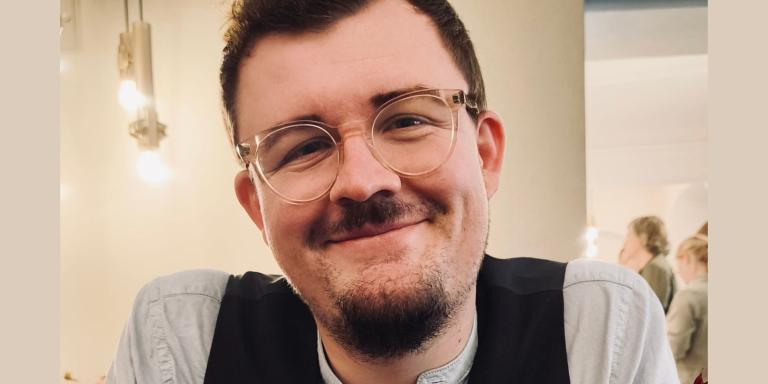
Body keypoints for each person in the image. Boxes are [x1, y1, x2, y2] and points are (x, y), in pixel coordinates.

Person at [106, 1, 678, 383]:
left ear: (484, 154)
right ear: (258, 205)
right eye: (303, 147)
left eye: (406, 121)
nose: (361, 180)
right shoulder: (183, 338)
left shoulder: (598, 325)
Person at [667, 235, 709, 384]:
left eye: (679, 264)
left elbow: (673, 349)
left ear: (687, 259)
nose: (678, 271)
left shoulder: (688, 295)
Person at [619, 216, 678, 313]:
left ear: (643, 238)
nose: (625, 242)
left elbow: (650, 312)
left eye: (629, 235)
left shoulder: (655, 267)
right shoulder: (654, 265)